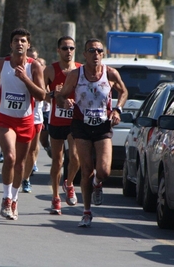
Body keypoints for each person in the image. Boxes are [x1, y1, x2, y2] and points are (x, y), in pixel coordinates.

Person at [58, 38, 128, 227]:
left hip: (103, 126)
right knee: (86, 169)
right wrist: (66, 101)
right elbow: (61, 95)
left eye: (99, 51)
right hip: (81, 125)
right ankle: (86, 212)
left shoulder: (111, 73)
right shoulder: (75, 74)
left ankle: (98, 183)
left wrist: (117, 110)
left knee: (104, 171)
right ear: (85, 54)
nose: (95, 54)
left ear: (102, 54)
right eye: (91, 51)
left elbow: (124, 92)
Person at [0, 28, 46, 220]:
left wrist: (25, 79)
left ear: (28, 45)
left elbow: (42, 95)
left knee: (20, 163)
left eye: (23, 41)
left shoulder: (34, 67)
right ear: (11, 44)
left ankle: (15, 199)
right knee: (9, 157)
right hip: (4, 118)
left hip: (25, 120)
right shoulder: (1, 63)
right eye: (16, 40)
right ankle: (5, 197)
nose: (20, 43)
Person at [43, 36, 82, 215]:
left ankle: (69, 183)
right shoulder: (50, 70)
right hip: (57, 121)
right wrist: (53, 94)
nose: (68, 51)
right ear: (58, 50)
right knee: (57, 161)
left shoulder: (81, 70)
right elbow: (40, 93)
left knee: (75, 157)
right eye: (65, 48)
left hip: (75, 120)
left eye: (71, 48)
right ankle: (55, 197)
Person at [21, 47, 47, 193]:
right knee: (18, 151)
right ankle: (17, 175)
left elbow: (45, 94)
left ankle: (26, 179)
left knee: (31, 151)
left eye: (34, 58)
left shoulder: (41, 72)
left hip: (36, 117)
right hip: (19, 115)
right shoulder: (17, 70)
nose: (31, 60)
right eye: (29, 57)